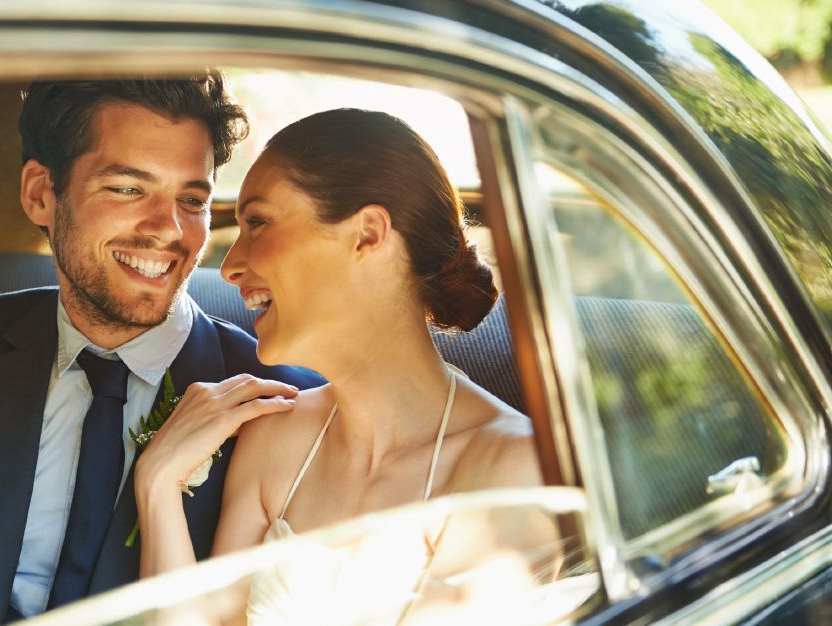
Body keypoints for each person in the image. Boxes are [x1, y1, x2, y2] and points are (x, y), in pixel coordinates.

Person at [0, 76, 323, 626]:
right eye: (128, 189)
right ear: (41, 194)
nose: (169, 229)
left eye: (191, 199)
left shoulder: (285, 400)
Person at [134, 108, 555, 623]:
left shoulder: (511, 470)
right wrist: (157, 484)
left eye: (259, 223)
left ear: (368, 234)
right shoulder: (274, 438)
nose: (230, 265)